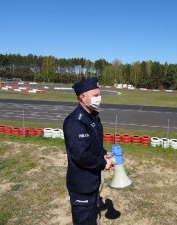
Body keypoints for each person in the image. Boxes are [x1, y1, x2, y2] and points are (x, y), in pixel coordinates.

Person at [63, 77, 114, 225]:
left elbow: (95, 145)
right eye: (95, 95)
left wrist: (104, 154)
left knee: (91, 218)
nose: (99, 98)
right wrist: (102, 163)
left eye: (99, 94)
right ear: (82, 97)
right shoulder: (75, 121)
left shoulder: (93, 117)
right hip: (81, 184)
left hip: (92, 181)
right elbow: (82, 155)